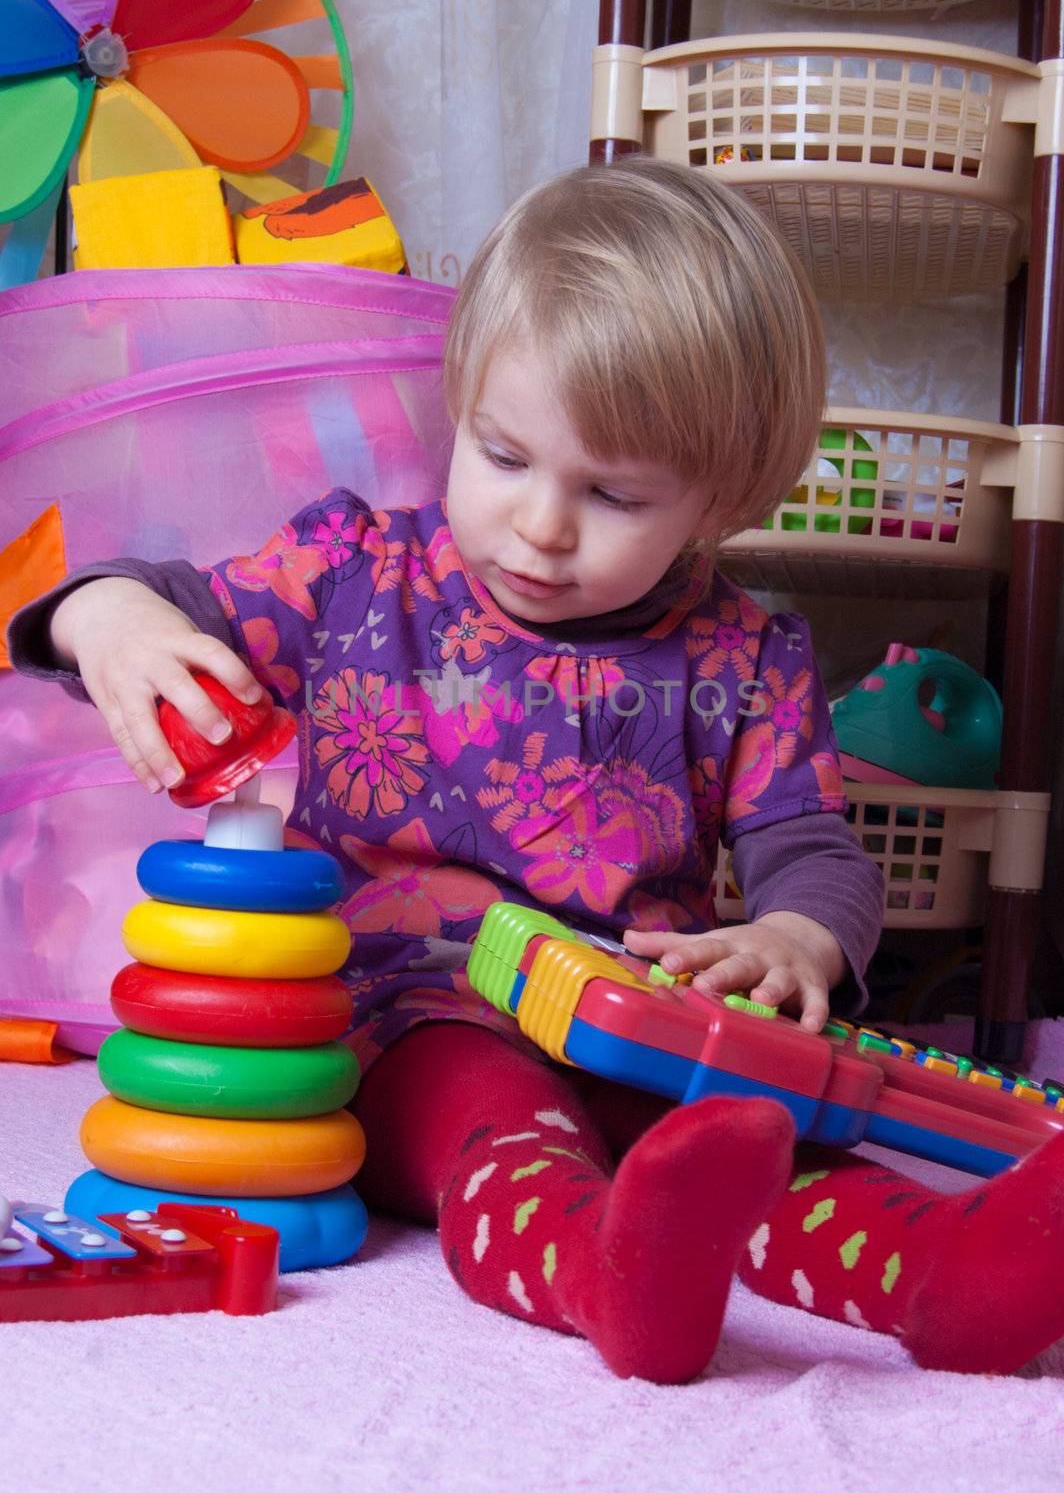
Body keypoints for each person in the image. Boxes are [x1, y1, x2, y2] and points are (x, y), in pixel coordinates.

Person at [11, 160, 1064, 1384]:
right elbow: (159, 602)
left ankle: (942, 1276)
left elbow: (807, 843)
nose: (540, 526)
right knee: (502, 1128)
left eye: (611, 493)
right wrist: (111, 621)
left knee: (751, 1137)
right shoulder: (355, 574)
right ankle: (602, 1275)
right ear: (461, 406)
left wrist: (793, 937)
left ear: (714, 503)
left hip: (639, 1015)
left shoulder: (746, 651)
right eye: (502, 456)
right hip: (405, 1016)